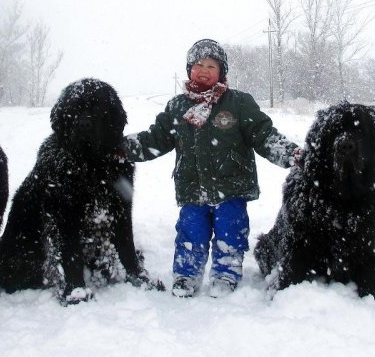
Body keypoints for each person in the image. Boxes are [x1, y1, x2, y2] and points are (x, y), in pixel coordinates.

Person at [123, 39, 300, 298]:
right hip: (192, 187)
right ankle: (186, 274)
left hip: (231, 186)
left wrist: (291, 154)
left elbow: (264, 134)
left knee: (231, 231)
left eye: (211, 66)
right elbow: (155, 139)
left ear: (221, 71)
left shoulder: (238, 103)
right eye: (198, 65)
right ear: (189, 69)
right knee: (190, 231)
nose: (203, 71)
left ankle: (225, 274)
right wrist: (120, 148)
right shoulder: (177, 107)